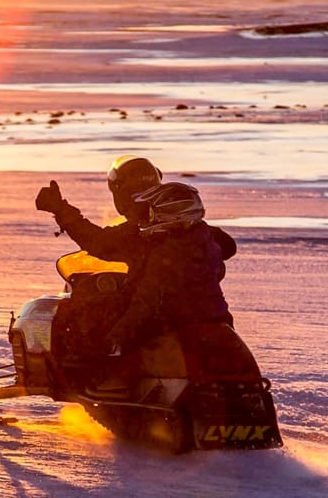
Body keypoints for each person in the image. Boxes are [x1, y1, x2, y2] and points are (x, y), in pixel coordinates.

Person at [34, 155, 236, 394]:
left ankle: (89, 382)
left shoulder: (150, 235)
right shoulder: (193, 231)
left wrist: (61, 210)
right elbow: (227, 246)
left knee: (94, 315)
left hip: (165, 320)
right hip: (215, 317)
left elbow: (100, 244)